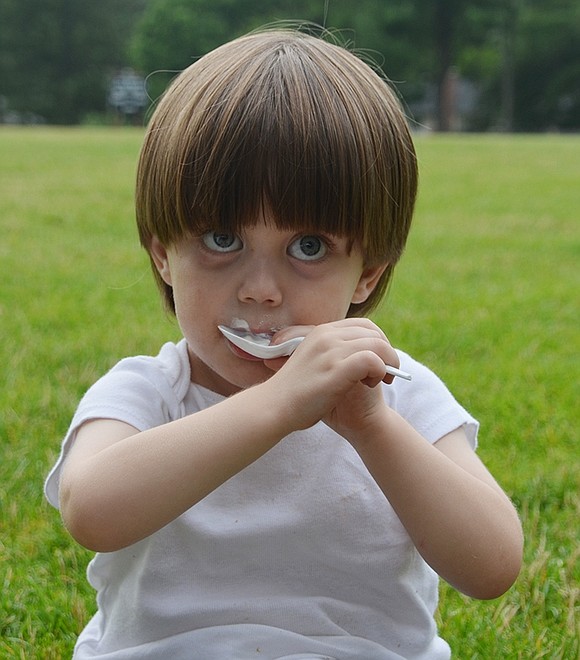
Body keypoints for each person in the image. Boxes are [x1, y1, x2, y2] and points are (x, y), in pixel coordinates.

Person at [45, 28, 523, 659]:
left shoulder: (399, 397)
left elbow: (491, 566)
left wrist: (372, 427)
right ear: (164, 256)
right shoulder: (147, 392)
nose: (262, 290)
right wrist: (277, 406)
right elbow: (93, 511)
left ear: (368, 273)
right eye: (221, 240)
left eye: (309, 248)